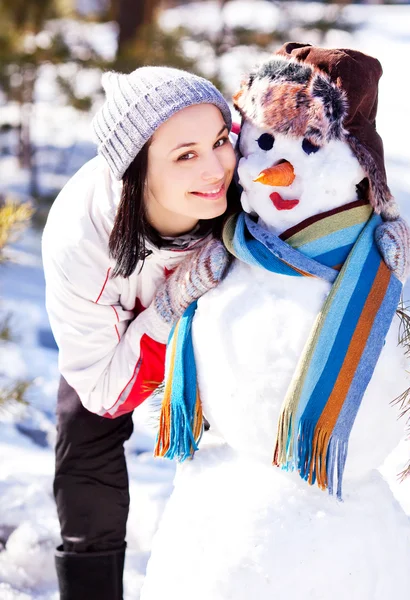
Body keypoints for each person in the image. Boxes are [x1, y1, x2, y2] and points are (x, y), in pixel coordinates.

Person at [42, 66, 238, 600]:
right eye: (185, 155)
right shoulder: (79, 240)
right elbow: (104, 392)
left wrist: (381, 216)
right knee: (84, 435)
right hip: (123, 329)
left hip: (218, 312)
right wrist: (171, 304)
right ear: (137, 172)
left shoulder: (237, 173)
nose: (218, 167)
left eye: (220, 140)